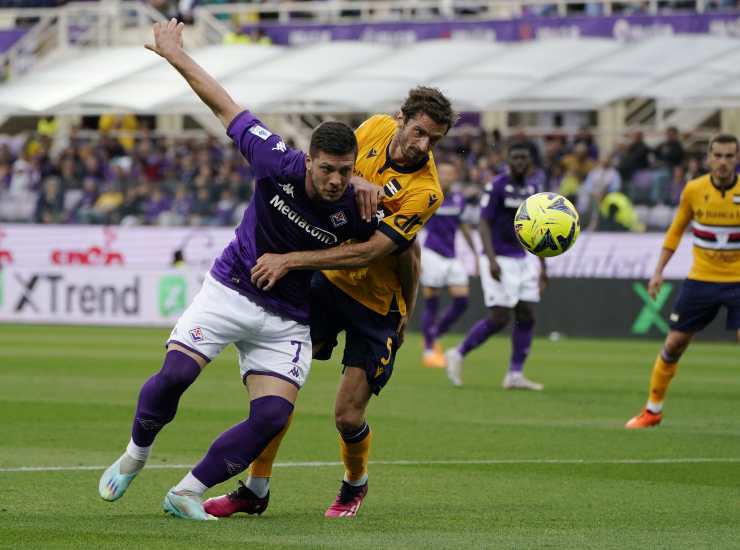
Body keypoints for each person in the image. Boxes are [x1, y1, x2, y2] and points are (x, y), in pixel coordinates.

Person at [98, 19, 377, 520]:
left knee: (272, 415)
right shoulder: (275, 161)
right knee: (175, 375)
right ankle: (135, 454)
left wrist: (398, 308)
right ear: (308, 161)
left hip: (288, 318)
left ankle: (186, 491)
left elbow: (385, 248)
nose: (336, 180)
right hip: (230, 290)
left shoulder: (361, 206)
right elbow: (222, 103)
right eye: (326, 169)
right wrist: (174, 55)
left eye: (345, 170)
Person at [204, 86, 456, 519]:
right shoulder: (374, 128)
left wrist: (292, 260)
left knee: (346, 414)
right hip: (330, 286)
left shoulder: (427, 191)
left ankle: (354, 484)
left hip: (377, 305)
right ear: (400, 118)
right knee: (278, 393)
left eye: (434, 140)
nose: (423, 146)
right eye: (419, 132)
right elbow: (332, 178)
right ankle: (255, 489)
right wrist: (353, 179)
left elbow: (372, 252)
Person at [625, 134, 740, 429]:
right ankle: (652, 411)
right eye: (718, 156)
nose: (724, 162)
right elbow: (675, 232)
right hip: (701, 279)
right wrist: (659, 271)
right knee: (675, 342)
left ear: (737, 159)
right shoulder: (694, 189)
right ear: (709, 158)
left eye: (729, 156)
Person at [445, 143, 547, 390]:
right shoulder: (497, 186)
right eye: (516, 157)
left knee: (527, 313)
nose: (520, 162)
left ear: (530, 162)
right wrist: (490, 260)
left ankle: (515, 374)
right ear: (509, 161)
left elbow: (538, 228)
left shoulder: (533, 188)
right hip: (497, 257)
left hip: (522, 258)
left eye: (524, 157)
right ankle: (458, 353)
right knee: (500, 316)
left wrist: (544, 266)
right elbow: (483, 224)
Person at [419, 160, 477, 368]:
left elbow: (463, 227)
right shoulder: (429, 195)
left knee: (462, 301)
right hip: (431, 253)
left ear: (454, 176)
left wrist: (475, 255)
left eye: (449, 173)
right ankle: (428, 349)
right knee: (432, 300)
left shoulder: (459, 199)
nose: (445, 176)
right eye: (441, 173)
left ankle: (435, 333)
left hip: (452, 256)